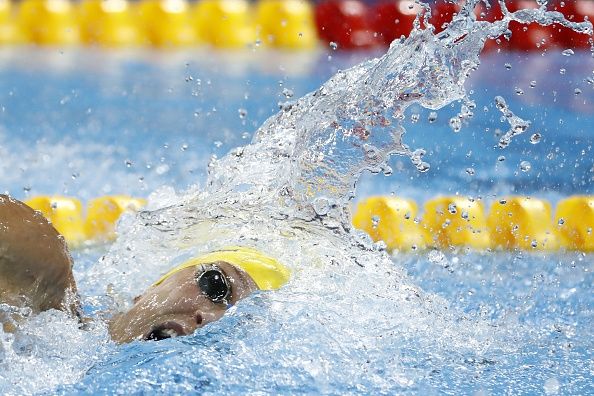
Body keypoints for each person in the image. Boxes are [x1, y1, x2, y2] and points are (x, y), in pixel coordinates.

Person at [0, 194, 290, 343]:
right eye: (216, 285)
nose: (210, 318)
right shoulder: (40, 273)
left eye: (237, 323)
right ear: (152, 286)